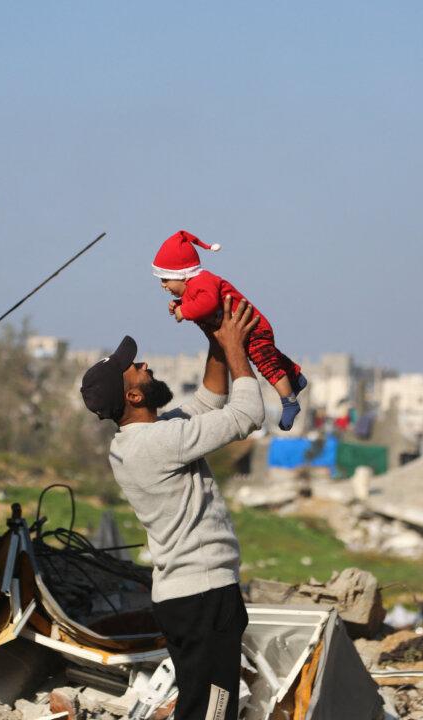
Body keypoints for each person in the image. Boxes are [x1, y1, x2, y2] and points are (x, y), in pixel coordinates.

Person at [79, 296, 264, 720]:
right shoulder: (160, 443)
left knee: (201, 707)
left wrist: (213, 334)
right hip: (202, 596)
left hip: (186, 596)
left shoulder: (144, 438)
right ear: (133, 393)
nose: (145, 365)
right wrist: (236, 345)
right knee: (213, 713)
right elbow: (248, 413)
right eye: (137, 367)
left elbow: (209, 399)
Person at [152, 229, 307, 431]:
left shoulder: (203, 281)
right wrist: (179, 304)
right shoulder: (194, 287)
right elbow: (197, 301)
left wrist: (185, 311)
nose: (163, 286)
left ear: (182, 275)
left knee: (267, 364)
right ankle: (295, 377)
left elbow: (206, 304)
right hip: (246, 329)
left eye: (165, 279)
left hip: (252, 328)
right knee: (269, 356)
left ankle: (289, 401)